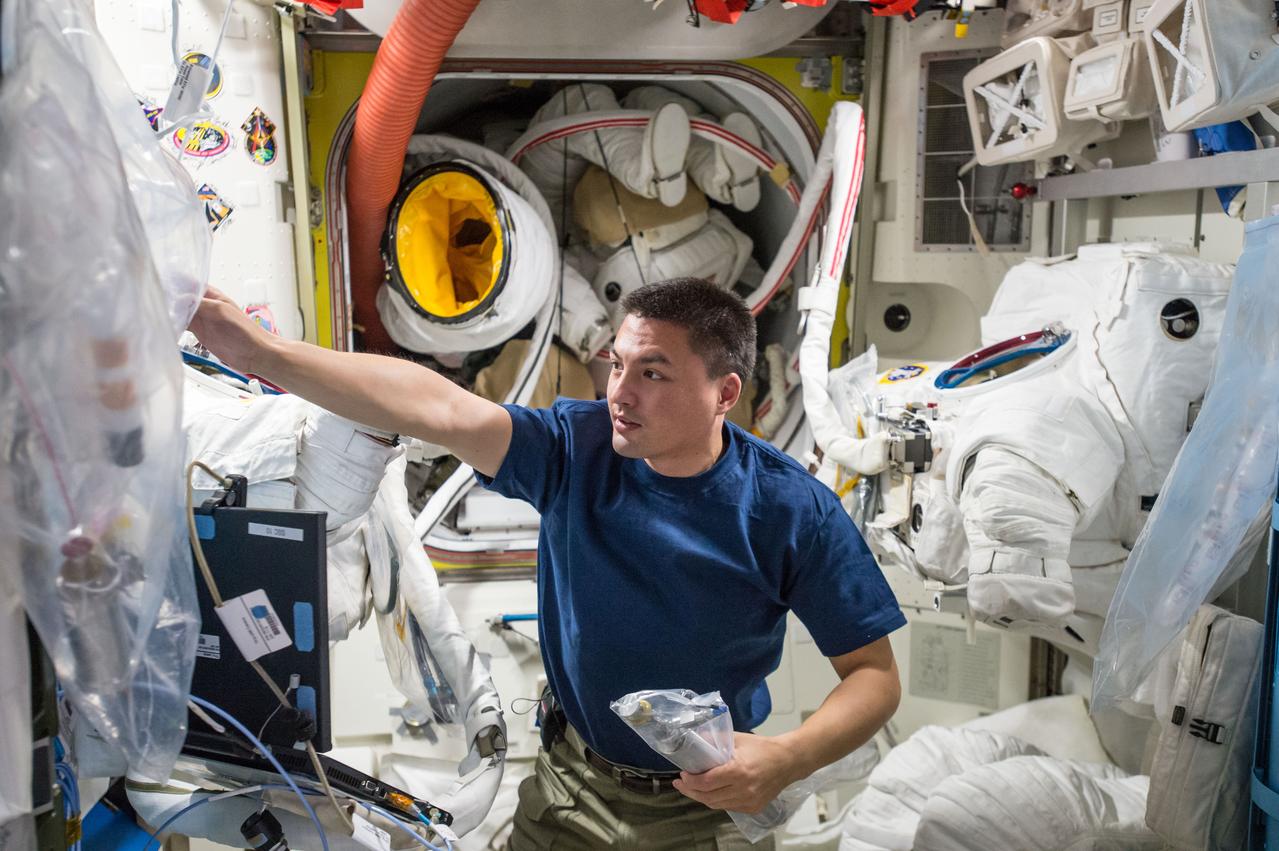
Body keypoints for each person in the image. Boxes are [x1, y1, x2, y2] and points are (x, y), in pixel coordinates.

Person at [189, 277, 905, 850]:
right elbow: (437, 406)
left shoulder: (790, 510)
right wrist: (263, 354)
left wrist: (785, 758)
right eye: (617, 364)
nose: (619, 393)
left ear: (724, 392)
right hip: (569, 790)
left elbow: (872, 676)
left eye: (651, 372)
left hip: (705, 813)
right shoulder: (576, 447)